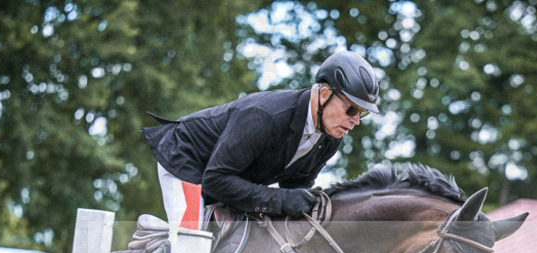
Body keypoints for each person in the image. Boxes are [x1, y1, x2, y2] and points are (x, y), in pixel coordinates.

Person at [143, 50, 380, 230]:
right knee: (191, 245)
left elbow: (296, 186)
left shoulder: (330, 137)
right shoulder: (264, 116)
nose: (356, 121)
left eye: (363, 113)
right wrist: (282, 200)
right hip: (186, 159)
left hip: (228, 176)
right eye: (351, 110)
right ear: (325, 95)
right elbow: (215, 180)